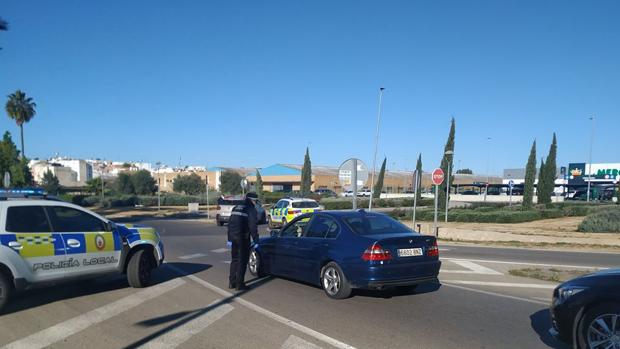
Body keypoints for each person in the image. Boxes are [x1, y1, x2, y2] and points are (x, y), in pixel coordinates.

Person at [227, 192, 259, 291]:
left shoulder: (236, 207)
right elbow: (253, 226)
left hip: (233, 237)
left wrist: (229, 239)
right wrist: (256, 239)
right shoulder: (251, 209)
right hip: (243, 238)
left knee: (234, 260)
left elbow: (230, 224)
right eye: (256, 201)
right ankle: (239, 284)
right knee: (242, 261)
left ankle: (232, 282)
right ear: (253, 200)